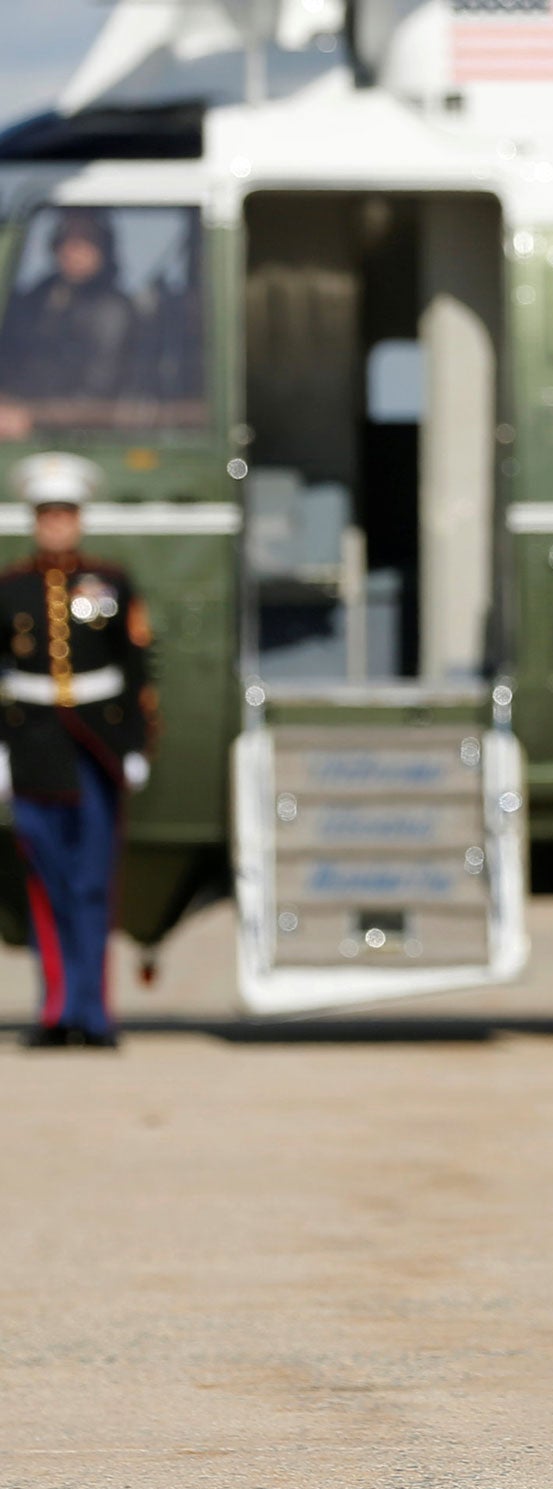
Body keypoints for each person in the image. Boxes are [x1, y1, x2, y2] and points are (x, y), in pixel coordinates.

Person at [0, 453, 155, 1048]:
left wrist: (137, 745)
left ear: (80, 519)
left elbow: (136, 666)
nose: (57, 525)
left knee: (93, 883)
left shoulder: (109, 583)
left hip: (97, 746)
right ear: (35, 521)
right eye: (47, 515)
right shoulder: (11, 588)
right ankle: (56, 1011)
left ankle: (94, 1014)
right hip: (34, 745)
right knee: (47, 882)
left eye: (66, 514)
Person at [0, 209, 136, 405]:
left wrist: (33, 413)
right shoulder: (37, 298)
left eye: (85, 239)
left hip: (75, 428)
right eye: (66, 238)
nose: (72, 248)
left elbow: (99, 389)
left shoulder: (113, 311)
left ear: (103, 247)